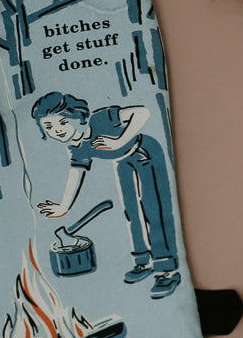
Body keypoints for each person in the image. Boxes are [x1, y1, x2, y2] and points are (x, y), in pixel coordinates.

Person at [31, 92, 180, 299]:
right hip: (124, 163)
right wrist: (63, 206)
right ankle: (142, 262)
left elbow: (142, 113)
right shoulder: (77, 148)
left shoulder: (100, 119)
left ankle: (167, 270)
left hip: (145, 153)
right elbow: (76, 175)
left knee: (154, 210)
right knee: (132, 213)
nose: (57, 130)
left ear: (78, 117)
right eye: (49, 127)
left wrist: (119, 141)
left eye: (62, 122)